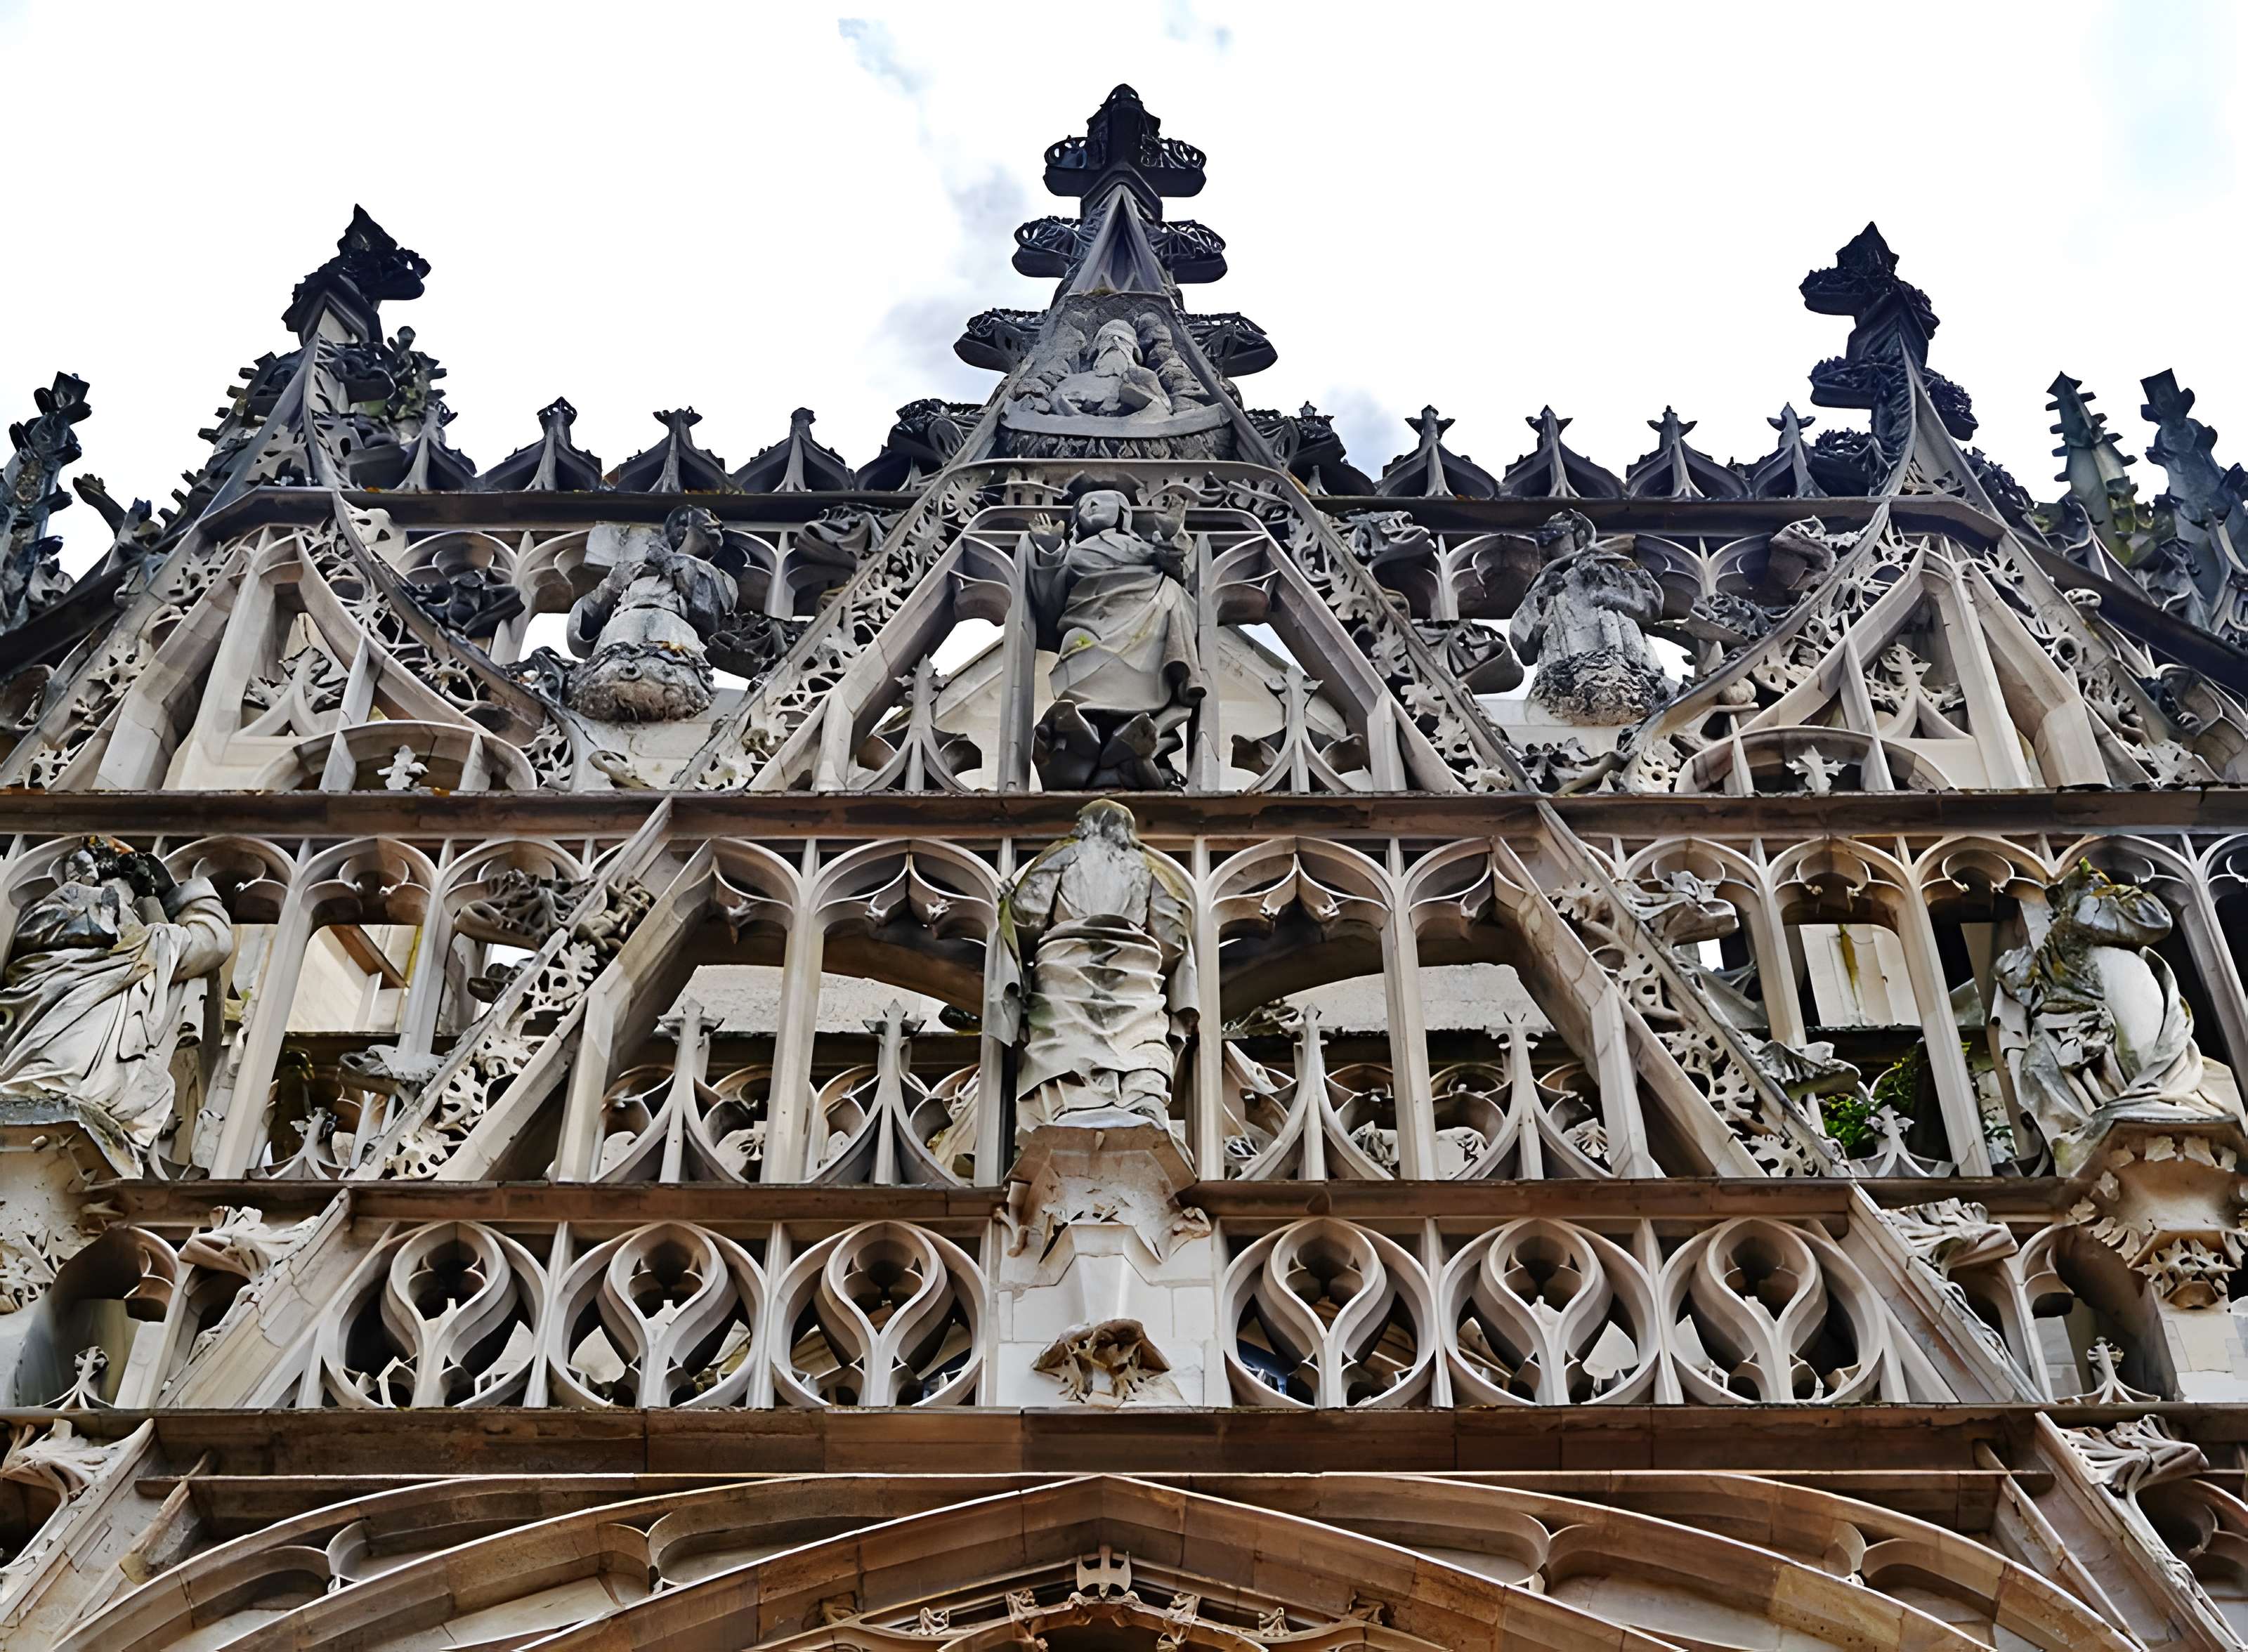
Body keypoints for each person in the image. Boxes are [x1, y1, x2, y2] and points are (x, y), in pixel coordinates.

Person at [0, 837, 230, 1167]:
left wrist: (156, 897)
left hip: (84, 1061)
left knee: (155, 1091)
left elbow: (212, 944)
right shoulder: (132, 939)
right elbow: (210, 941)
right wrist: (148, 900)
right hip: (54, 1041)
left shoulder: (147, 946)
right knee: (62, 1078)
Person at [991, 800, 1196, 1137]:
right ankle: (1138, 1103)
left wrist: (1007, 902)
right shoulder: (1147, 866)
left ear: (1082, 826)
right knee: (1139, 1043)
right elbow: (1172, 942)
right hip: (1132, 973)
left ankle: (1073, 1106)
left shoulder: (1063, 854)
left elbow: (1027, 918)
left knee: (1067, 1046)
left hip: (1066, 970)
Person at [1026, 488, 1205, 789]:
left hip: (1142, 632)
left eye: (1099, 501)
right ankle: (1084, 737)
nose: (1089, 506)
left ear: (1123, 514)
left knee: (1137, 697)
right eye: (1084, 504)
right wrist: (1049, 550)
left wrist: (1173, 536)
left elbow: (1176, 570)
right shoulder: (1074, 553)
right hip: (1086, 632)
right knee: (1085, 698)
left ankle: (1138, 746)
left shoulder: (1141, 548)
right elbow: (1048, 604)